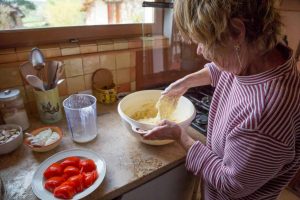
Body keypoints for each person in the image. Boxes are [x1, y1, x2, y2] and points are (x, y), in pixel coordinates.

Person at [142, 0, 300, 199]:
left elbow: (231, 183)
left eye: (203, 42)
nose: (199, 50)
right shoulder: (261, 52)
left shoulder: (265, 112)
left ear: (236, 31)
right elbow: (224, 67)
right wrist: (185, 82)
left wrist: (180, 135)